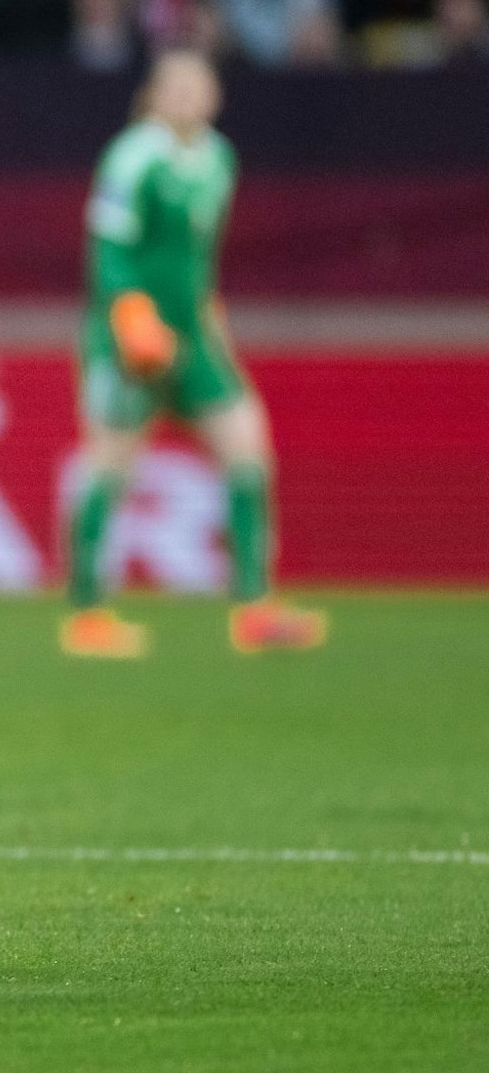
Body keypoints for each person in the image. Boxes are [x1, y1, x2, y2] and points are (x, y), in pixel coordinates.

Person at [61, 50, 327, 658]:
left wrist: (211, 322)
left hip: (194, 336)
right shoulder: (133, 157)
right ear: (154, 95)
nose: (186, 96)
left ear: (215, 95)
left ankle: (254, 607)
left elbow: (198, 260)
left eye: (197, 85)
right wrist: (130, 318)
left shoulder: (218, 159)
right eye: (174, 86)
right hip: (132, 339)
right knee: (109, 466)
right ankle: (86, 614)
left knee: (247, 446)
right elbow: (109, 250)